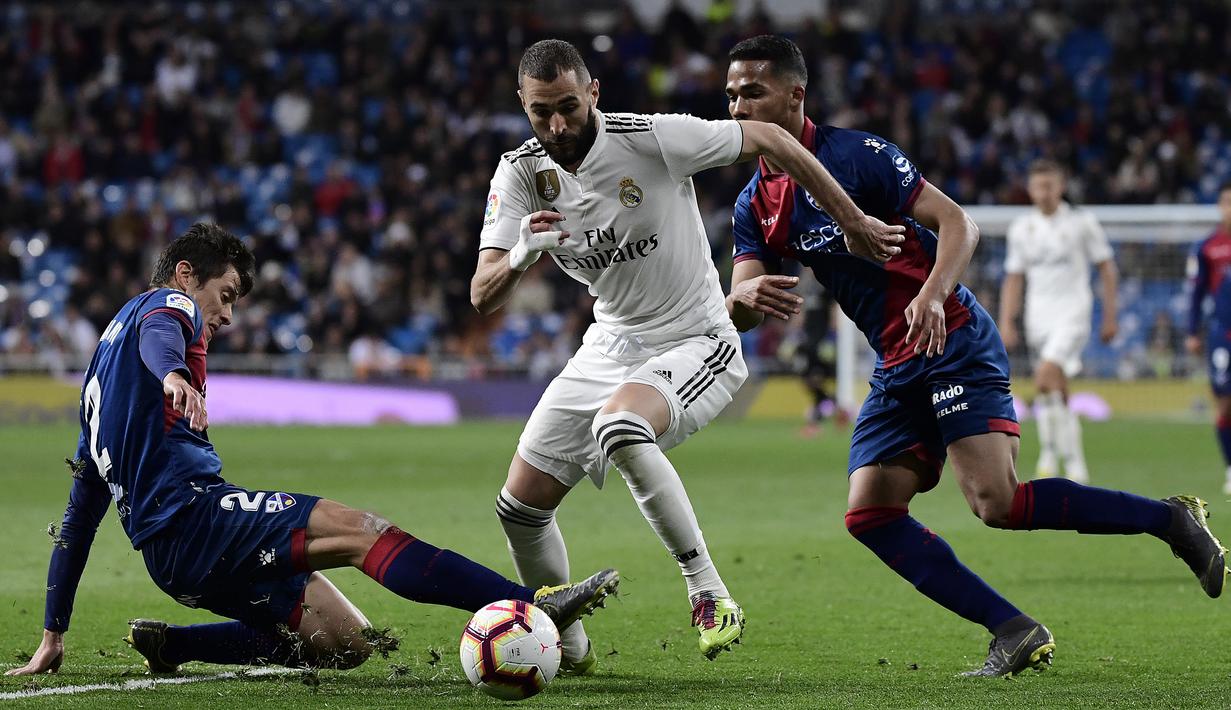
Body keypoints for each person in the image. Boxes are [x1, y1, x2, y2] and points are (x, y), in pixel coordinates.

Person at [722, 35, 1228, 677]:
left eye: (753, 92)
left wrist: (933, 294)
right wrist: (740, 299)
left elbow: (960, 223)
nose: (738, 108)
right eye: (731, 95)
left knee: (996, 502)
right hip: (895, 359)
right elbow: (743, 305)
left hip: (951, 334)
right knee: (870, 513)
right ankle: (1013, 628)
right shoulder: (754, 204)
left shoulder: (859, 155)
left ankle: (1169, 520)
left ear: (795, 94)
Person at [6, 224, 618, 678]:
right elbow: (163, 329)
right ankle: (534, 603)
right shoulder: (170, 304)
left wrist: (53, 631)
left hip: (171, 563)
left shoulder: (96, 384)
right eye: (226, 294)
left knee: (348, 644)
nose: (226, 314)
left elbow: (79, 517)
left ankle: (175, 645)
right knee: (362, 532)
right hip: (197, 519)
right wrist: (171, 372)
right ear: (187, 274)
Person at [471, 39, 904, 667]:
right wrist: (520, 255)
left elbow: (774, 140)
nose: (557, 125)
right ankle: (567, 645)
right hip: (608, 344)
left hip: (696, 338)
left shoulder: (651, 138)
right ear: (523, 104)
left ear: (593, 93)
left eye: (568, 107)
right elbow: (482, 293)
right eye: (542, 112)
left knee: (620, 427)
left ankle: (709, 592)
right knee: (519, 508)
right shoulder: (519, 173)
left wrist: (854, 221)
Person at [999, 159, 1119, 483]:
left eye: (1049, 185)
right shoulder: (1022, 228)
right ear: (1029, 189)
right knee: (1055, 389)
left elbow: (1107, 268)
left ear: (1061, 187)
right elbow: (1014, 278)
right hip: (1038, 318)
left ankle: (1049, 454)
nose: (1043, 192)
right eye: (1038, 186)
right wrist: (1007, 321)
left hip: (1073, 314)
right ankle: (1074, 462)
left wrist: (1110, 316)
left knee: (1044, 378)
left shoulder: (1082, 223)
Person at [1185, 181, 1231, 496]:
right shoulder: (1207, 247)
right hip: (1223, 334)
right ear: (1219, 206)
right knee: (1225, 404)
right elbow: (1196, 291)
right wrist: (1192, 330)